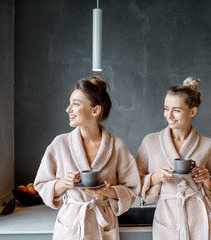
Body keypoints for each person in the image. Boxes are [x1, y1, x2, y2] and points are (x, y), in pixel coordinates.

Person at [34, 76, 140, 240]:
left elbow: (132, 190)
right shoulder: (60, 144)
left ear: (95, 110)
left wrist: (108, 191)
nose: (68, 109)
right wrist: (63, 183)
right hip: (71, 225)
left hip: (102, 225)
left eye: (75, 104)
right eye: (70, 103)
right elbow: (41, 185)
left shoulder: (117, 146)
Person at [136, 77, 211, 240]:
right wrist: (156, 177)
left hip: (200, 218)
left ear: (193, 111)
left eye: (176, 110)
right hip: (167, 216)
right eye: (166, 108)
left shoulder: (208, 145)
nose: (169, 115)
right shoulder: (150, 142)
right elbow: (134, 182)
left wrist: (206, 179)